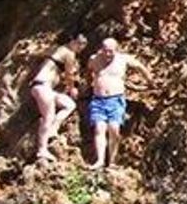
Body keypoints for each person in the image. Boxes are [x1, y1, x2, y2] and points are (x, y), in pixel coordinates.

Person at [86, 38, 152, 170]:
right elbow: (89, 72)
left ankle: (112, 161)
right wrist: (89, 84)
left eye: (111, 51)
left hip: (115, 99)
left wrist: (149, 81)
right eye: (105, 51)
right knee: (99, 129)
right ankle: (99, 160)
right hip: (98, 99)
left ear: (116, 50)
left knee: (114, 129)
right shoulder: (94, 59)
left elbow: (139, 66)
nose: (107, 54)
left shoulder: (123, 59)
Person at [29, 34, 88, 162]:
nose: (80, 48)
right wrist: (72, 88)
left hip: (44, 88)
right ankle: (42, 150)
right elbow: (69, 75)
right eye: (79, 44)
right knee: (47, 117)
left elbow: (38, 54)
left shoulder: (56, 49)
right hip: (43, 87)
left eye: (82, 45)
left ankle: (53, 129)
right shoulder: (69, 54)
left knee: (69, 105)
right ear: (72, 41)